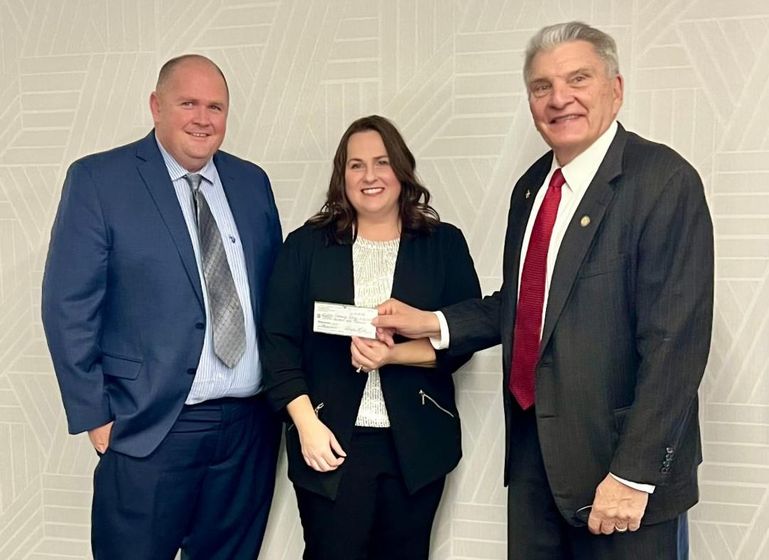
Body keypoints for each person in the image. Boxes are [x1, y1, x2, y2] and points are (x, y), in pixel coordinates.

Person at [374, 22, 713, 560]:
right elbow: (528, 305)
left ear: (616, 88)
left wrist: (634, 474)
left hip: (621, 473)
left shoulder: (662, 181)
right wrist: (432, 323)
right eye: (540, 86)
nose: (559, 99)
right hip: (536, 463)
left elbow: (677, 344)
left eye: (578, 78)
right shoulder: (532, 187)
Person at [41, 54, 282, 560]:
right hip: (150, 427)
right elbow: (68, 305)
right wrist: (95, 416)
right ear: (155, 106)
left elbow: (273, 296)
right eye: (187, 103)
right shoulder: (99, 181)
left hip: (248, 431)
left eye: (215, 106)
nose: (203, 118)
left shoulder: (251, 182)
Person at [260, 115, 481, 559]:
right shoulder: (306, 246)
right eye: (356, 165)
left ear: (402, 170)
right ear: (342, 177)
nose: (370, 176)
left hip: (417, 448)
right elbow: (277, 342)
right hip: (330, 440)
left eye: (382, 162)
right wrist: (306, 426)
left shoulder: (443, 244)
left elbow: (463, 336)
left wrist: (393, 355)